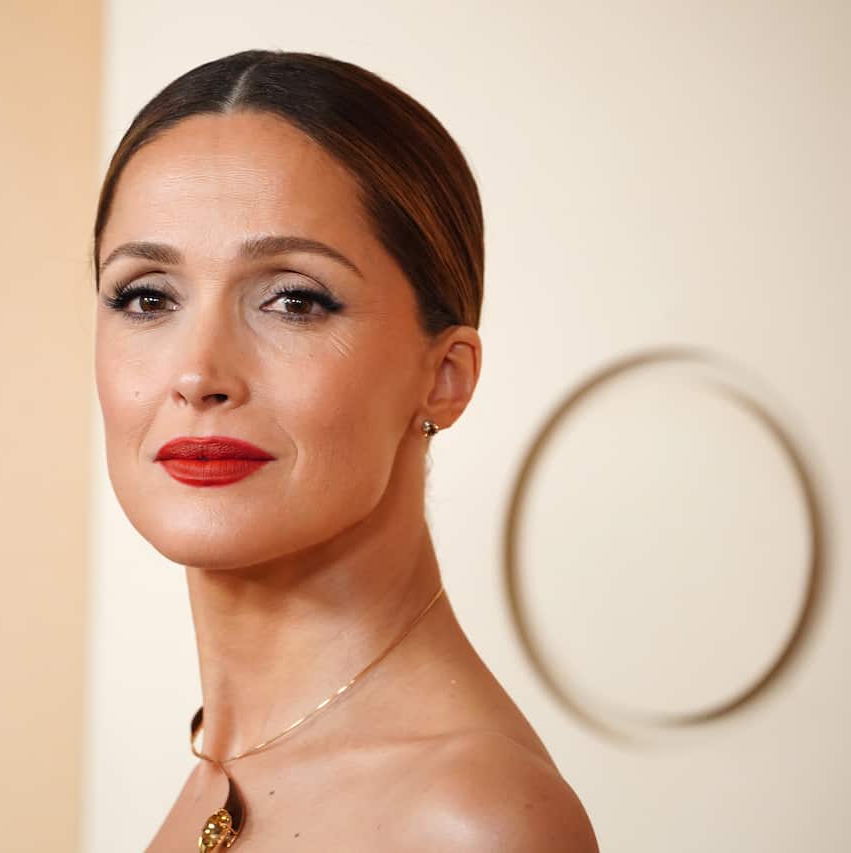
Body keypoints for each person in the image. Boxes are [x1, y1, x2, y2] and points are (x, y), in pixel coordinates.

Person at [91, 48, 599, 852]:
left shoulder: (470, 823)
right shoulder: (227, 765)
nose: (197, 374)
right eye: (147, 296)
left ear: (444, 375)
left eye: (294, 300)